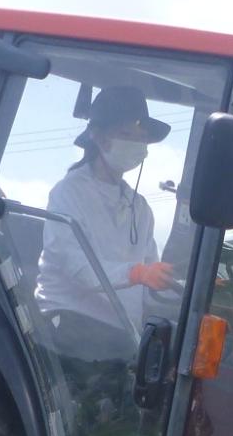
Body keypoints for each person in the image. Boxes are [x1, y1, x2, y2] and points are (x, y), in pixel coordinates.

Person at [35, 87, 176, 330]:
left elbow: (151, 279)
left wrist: (191, 287)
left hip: (122, 336)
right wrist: (136, 274)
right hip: (67, 327)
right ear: (99, 138)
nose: (136, 144)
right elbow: (76, 268)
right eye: (126, 134)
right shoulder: (68, 193)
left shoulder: (140, 208)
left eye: (141, 137)